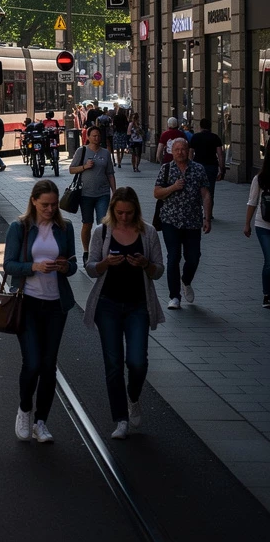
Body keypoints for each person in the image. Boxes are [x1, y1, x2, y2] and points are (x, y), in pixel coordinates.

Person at [84, 187, 165, 440]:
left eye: (129, 213)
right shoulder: (102, 232)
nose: (124, 217)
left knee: (137, 361)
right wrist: (105, 263)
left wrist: (145, 264)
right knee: (114, 365)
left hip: (138, 305)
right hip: (107, 304)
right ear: (112, 211)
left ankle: (133, 396)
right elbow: (90, 268)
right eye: (119, 212)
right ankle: (120, 419)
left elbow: (158, 270)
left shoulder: (148, 232)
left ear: (136, 211)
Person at [3, 179, 78, 444]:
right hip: (29, 303)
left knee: (49, 367)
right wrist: (34, 268)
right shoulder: (19, 228)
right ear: (34, 201)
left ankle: (41, 422)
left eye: (54, 205)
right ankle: (25, 409)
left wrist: (63, 267)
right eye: (44, 204)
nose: (49, 209)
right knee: (32, 363)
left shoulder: (64, 228)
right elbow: (9, 265)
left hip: (56, 305)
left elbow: (73, 264)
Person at [154, 137, 212, 310]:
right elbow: (156, 193)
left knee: (193, 257)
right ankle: (174, 296)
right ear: (172, 151)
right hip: (170, 220)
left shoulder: (198, 169)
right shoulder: (166, 169)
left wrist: (207, 218)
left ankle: (186, 280)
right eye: (177, 149)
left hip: (193, 221)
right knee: (173, 257)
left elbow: (206, 195)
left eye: (183, 149)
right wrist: (173, 187)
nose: (180, 152)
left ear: (188, 151)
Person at [68, 126, 116, 264]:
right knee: (87, 223)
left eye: (98, 135)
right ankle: (86, 251)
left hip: (103, 193)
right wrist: (84, 167)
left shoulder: (105, 153)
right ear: (88, 137)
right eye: (94, 136)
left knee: (102, 223)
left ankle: (100, 251)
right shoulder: (81, 151)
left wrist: (114, 191)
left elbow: (110, 173)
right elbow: (71, 169)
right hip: (85, 194)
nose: (97, 138)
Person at [243, 149, 270, 309]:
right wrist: (247, 223)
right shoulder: (260, 179)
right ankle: (267, 294)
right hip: (263, 225)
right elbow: (252, 202)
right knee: (269, 261)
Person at [189, 118, 225, 211]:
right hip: (211, 166)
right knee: (210, 191)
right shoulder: (215, 137)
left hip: (197, 166)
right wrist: (222, 170)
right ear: (210, 127)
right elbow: (220, 155)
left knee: (196, 190)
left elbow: (190, 153)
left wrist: (189, 165)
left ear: (200, 126)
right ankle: (209, 213)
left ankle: (198, 211)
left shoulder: (195, 137)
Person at [111, 104, 129, 168]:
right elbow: (127, 124)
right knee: (122, 148)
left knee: (117, 149)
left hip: (117, 133)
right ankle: (120, 160)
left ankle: (118, 161)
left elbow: (113, 125)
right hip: (123, 133)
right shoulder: (124, 117)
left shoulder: (116, 117)